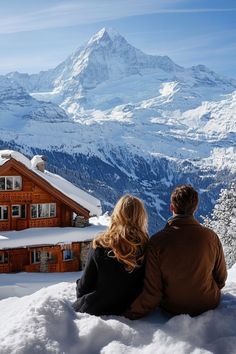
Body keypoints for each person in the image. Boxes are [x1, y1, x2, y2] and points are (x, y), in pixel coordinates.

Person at [125, 184, 227, 319]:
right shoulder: (211, 237)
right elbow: (221, 278)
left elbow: (153, 290)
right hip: (208, 302)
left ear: (172, 207)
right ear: (195, 208)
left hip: (173, 307)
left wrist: (129, 314)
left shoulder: (156, 242)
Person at [72, 194, 149, 316]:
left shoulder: (100, 244)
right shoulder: (148, 248)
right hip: (132, 310)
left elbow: (84, 288)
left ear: (117, 215)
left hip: (97, 308)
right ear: (141, 217)